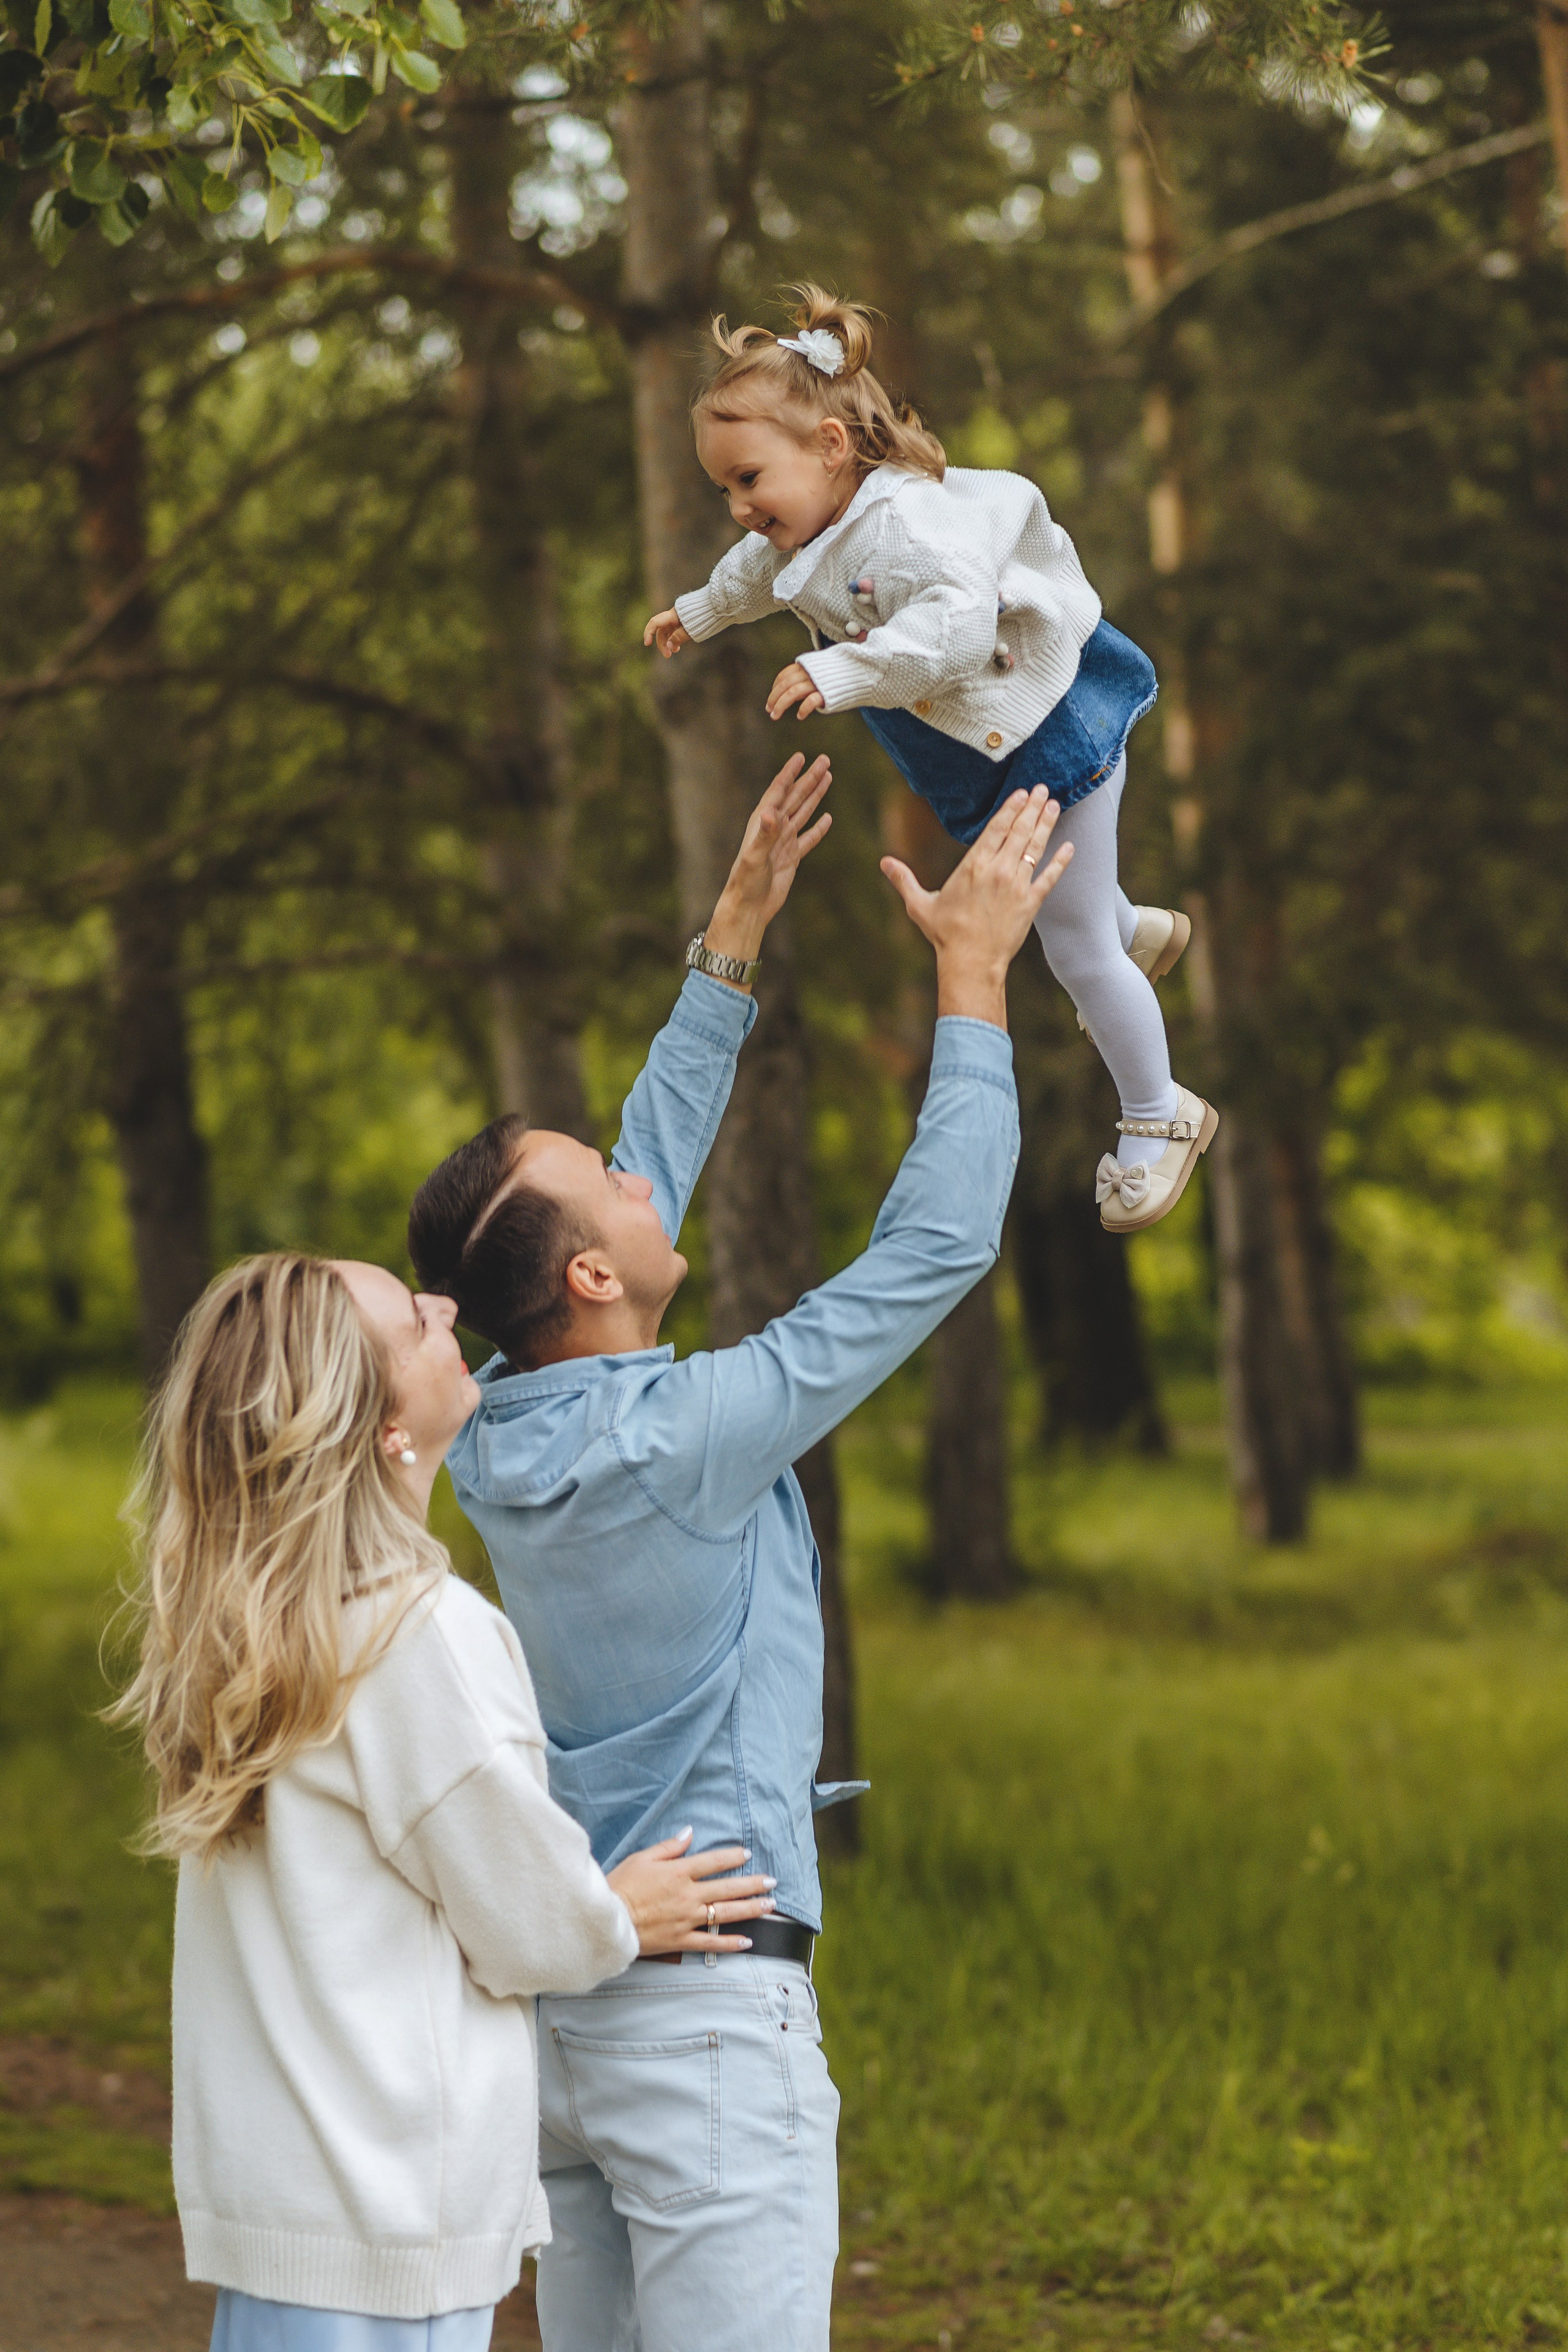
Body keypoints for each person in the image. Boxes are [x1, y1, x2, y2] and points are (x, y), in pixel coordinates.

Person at [404, 749, 1072, 2352]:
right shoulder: (689, 1436)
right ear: (580, 1282)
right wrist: (972, 983)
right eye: (603, 1181)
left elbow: (628, 1187)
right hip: (708, 2031)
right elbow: (932, 1250)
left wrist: (733, 944)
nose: (639, 1170)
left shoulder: (490, 1434)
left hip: (564, 2025)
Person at [110, 1250, 775, 2352]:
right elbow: (528, 1925)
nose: (446, 1308)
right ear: (380, 1427)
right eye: (413, 1324)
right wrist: (618, 1913)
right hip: (387, 2221)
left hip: (287, 2212)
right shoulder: (422, 1635)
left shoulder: (268, 1639)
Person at [643, 284, 1218, 1236]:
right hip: (990, 738)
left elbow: (955, 633)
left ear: (831, 448)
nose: (740, 507)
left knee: (1070, 946)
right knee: (1080, 912)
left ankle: (1162, 1113)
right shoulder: (810, 521)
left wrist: (843, 670)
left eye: (749, 479)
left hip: (1046, 720)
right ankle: (1138, 931)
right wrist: (698, 612)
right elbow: (758, 575)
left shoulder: (908, 528)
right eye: (725, 490)